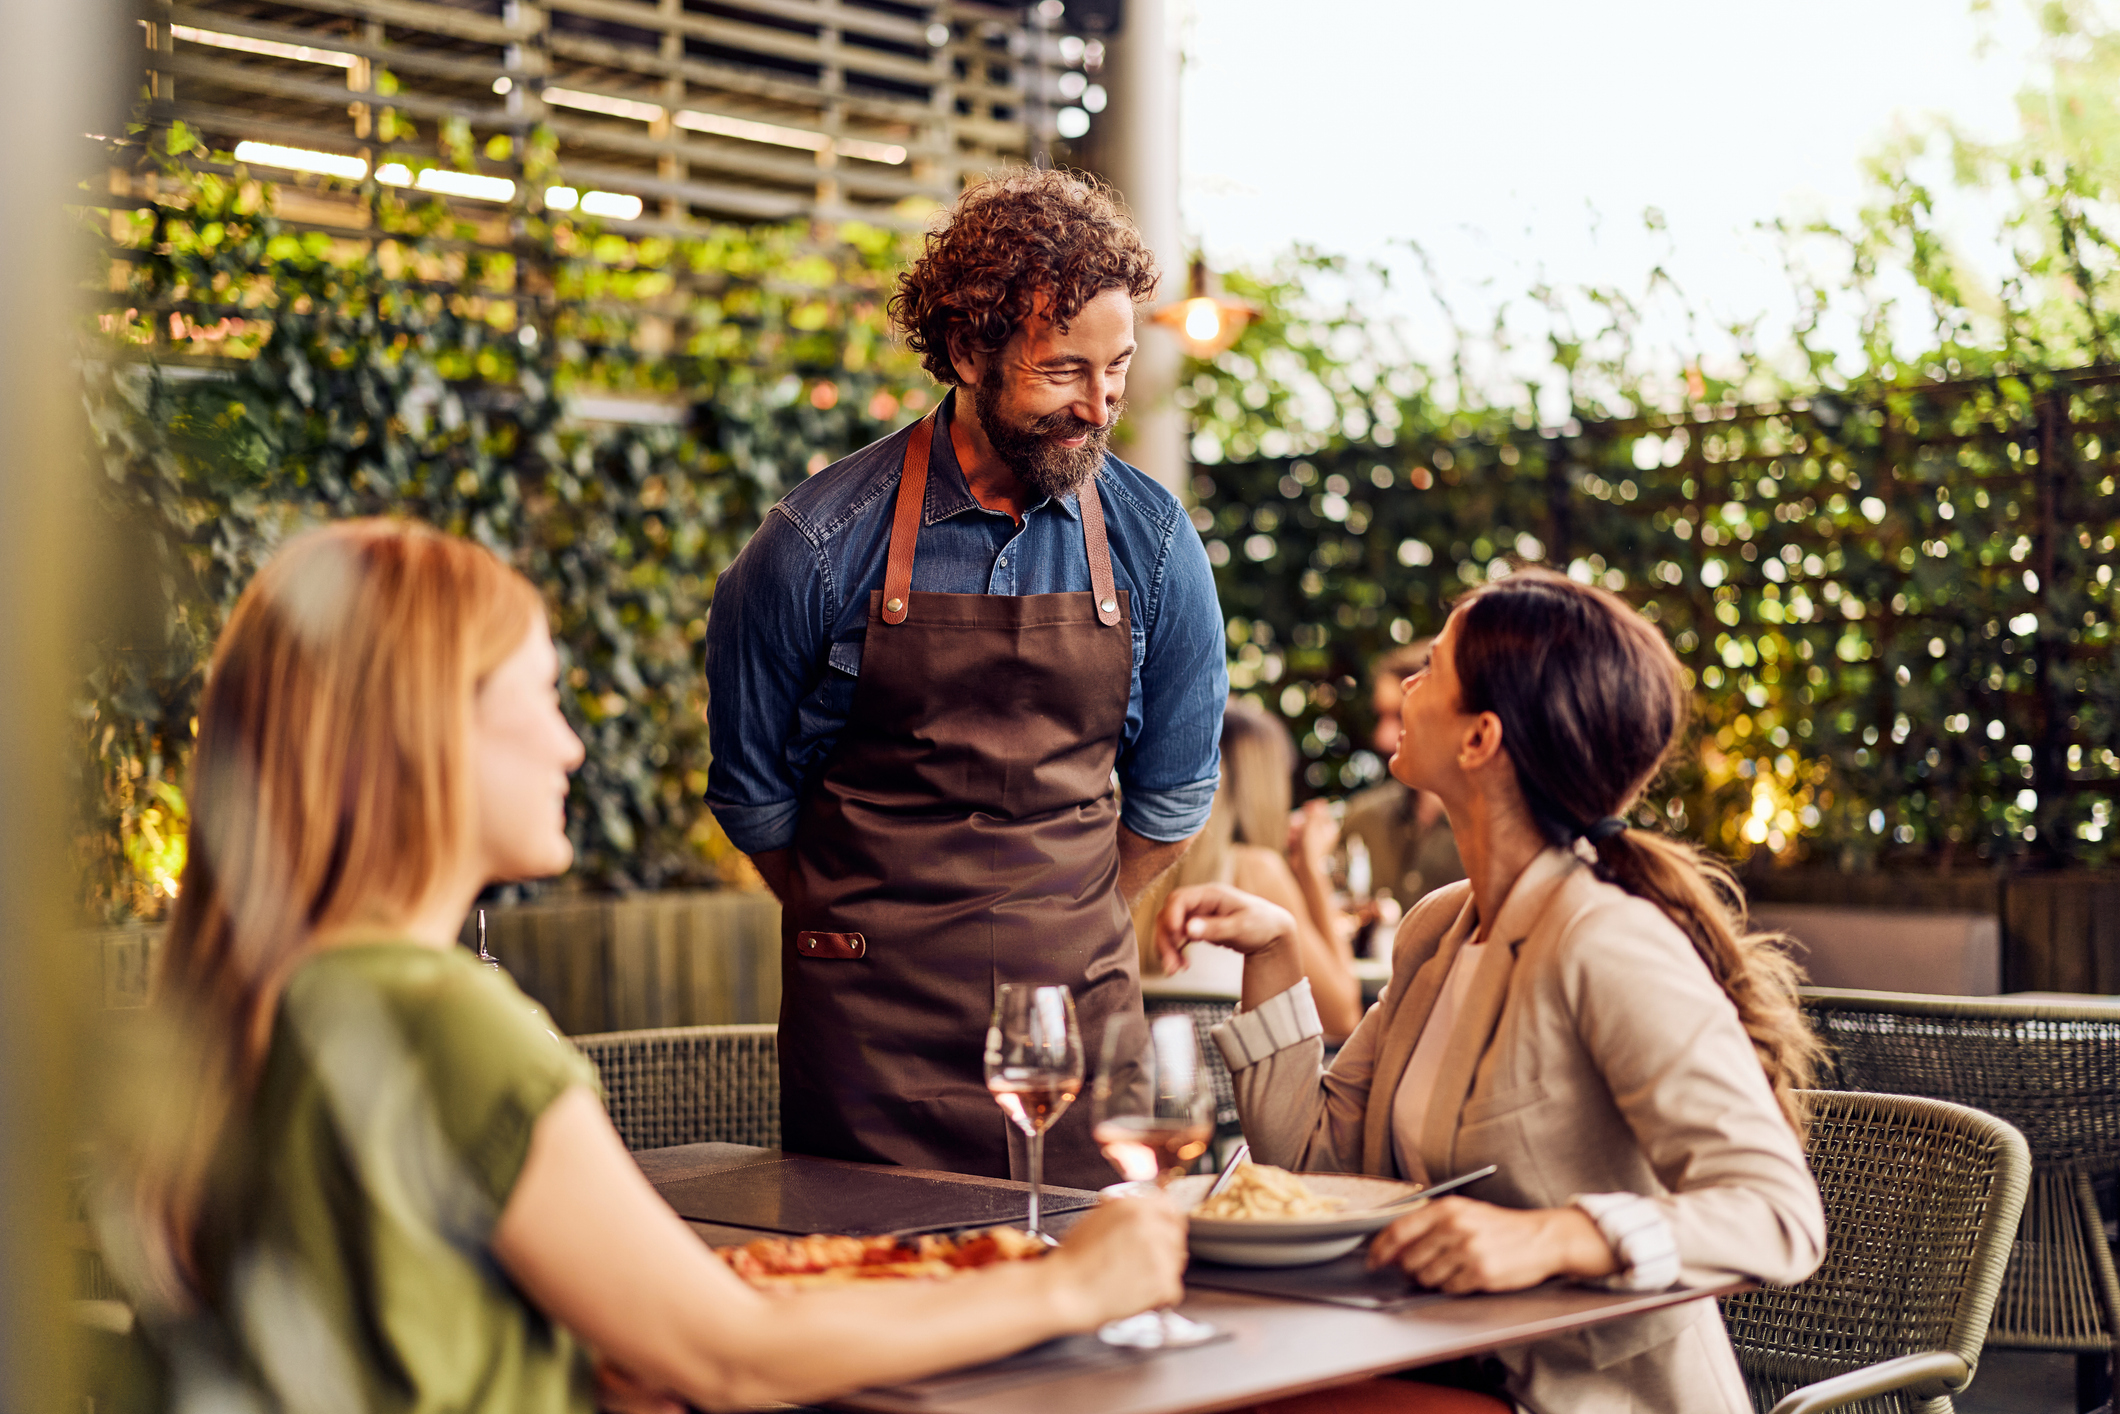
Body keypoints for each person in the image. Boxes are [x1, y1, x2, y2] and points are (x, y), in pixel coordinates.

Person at [94, 520, 1186, 1414]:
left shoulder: (252, 1005)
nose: (572, 745)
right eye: (542, 695)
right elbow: (733, 1353)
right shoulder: (439, 1020)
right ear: (432, 733)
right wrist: (1075, 1284)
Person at [1154, 570, 1825, 1413]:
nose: (1405, 688)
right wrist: (1277, 952)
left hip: (1576, 1394)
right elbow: (1309, 1167)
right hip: (1428, 1364)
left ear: (1480, 739)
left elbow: (1779, 1214)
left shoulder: (1605, 938)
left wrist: (1553, 1236)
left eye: (1430, 669)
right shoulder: (1442, 927)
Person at [703, 169, 1227, 1190]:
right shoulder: (813, 547)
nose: (1098, 404)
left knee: (1084, 1316)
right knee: (867, 1308)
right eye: (1061, 370)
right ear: (962, 353)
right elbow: (754, 795)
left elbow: (1171, 794)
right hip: (867, 1036)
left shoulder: (1155, 544)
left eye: (1115, 367)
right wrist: (859, 928)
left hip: (1074, 1032)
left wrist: (1060, 915)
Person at [1144, 699, 1362, 1039]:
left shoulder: (1139, 868)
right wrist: (1311, 866)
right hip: (1226, 1091)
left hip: (1142, 1083)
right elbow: (1343, 1017)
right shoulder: (1255, 871)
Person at [1338, 640, 1463, 915]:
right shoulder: (1363, 818)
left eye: (1400, 716)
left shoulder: (1496, 830)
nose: (1382, 738)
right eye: (1380, 717)